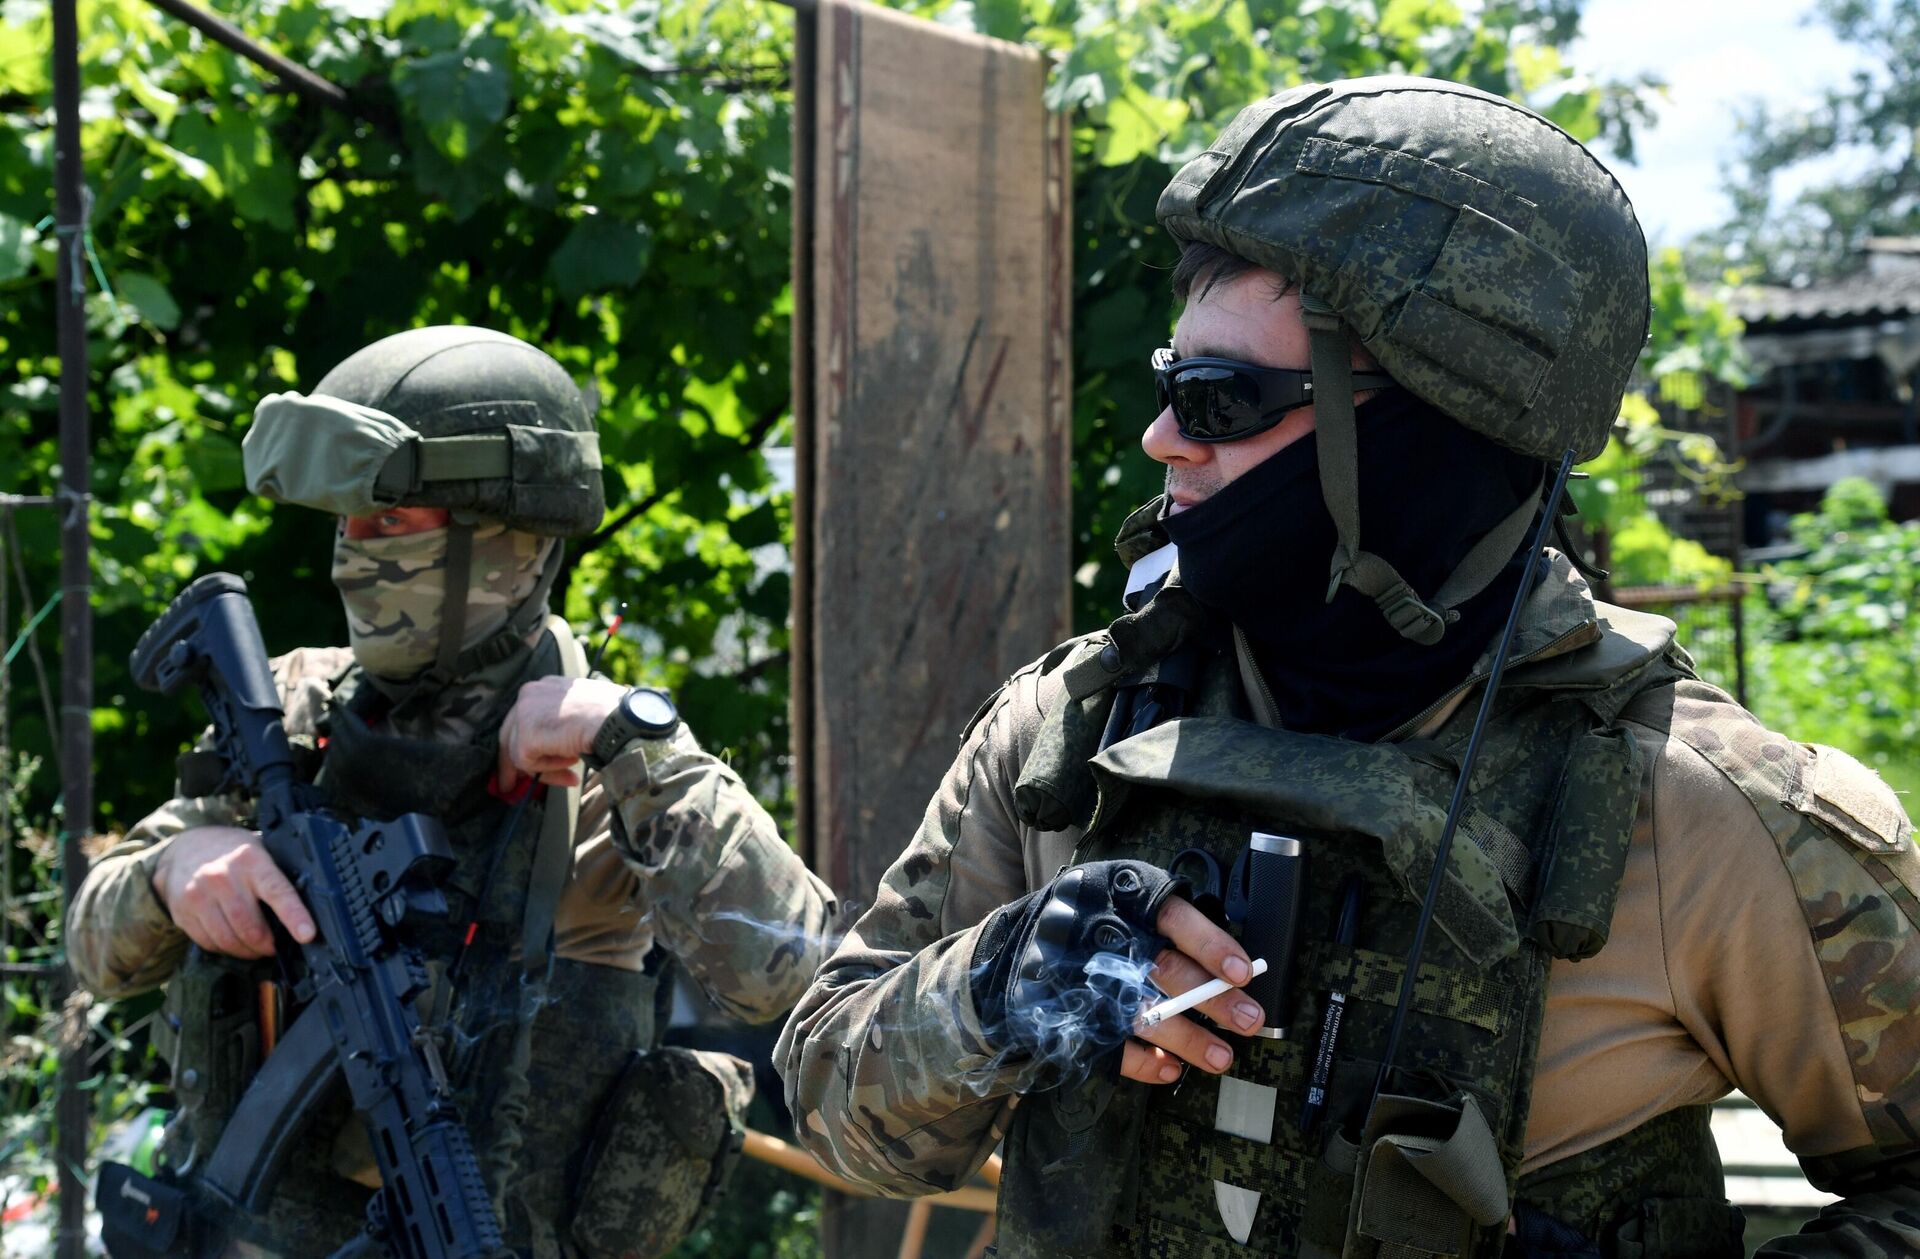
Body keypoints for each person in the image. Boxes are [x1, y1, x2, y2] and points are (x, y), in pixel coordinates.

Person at [777, 76, 1920, 1258]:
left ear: (1421, 437)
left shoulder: (1692, 804)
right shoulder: (1071, 726)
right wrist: (1000, 983)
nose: (1162, 436)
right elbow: (834, 1106)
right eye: (1171, 383)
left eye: (1220, 398)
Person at [68, 325, 836, 1259]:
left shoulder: (614, 773)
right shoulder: (295, 712)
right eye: (346, 523)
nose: (355, 553)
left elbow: (792, 973)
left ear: (506, 534)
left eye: (389, 521)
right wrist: (172, 871)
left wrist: (634, 739)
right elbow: (94, 947)